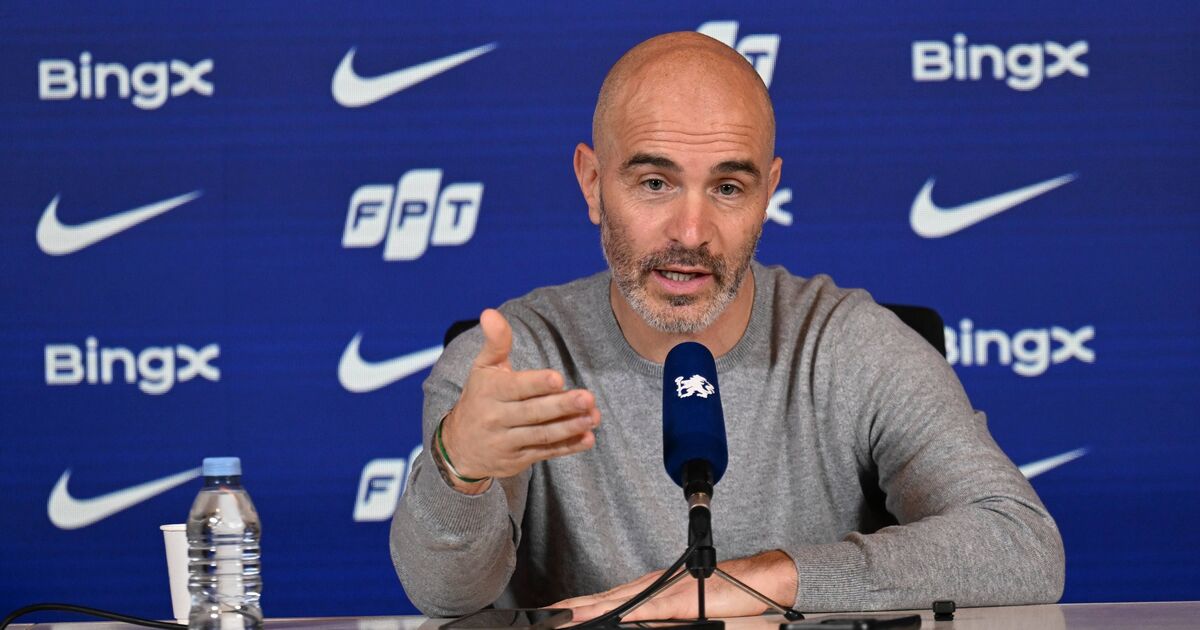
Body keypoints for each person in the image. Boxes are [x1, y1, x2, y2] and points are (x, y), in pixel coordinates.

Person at [390, 31, 1064, 619]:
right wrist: (460, 469)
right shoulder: (513, 359)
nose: (691, 232)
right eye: (654, 183)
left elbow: (1022, 545)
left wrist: (758, 582)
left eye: (728, 188)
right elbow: (443, 595)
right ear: (593, 184)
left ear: (768, 191)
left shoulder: (849, 343)